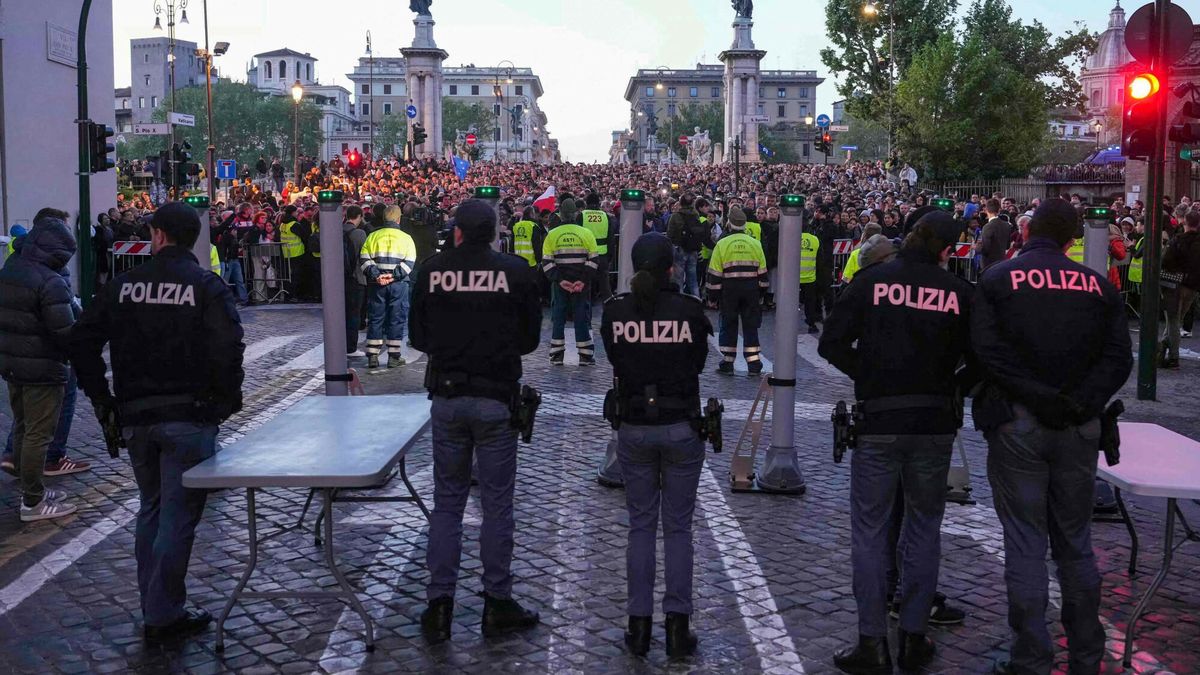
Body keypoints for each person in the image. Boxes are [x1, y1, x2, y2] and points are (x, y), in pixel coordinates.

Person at [69, 202, 245, 642]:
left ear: (159, 236)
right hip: (189, 414)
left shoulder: (124, 286)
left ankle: (155, 604)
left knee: (151, 508)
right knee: (178, 515)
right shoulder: (206, 287)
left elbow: (81, 342)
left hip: (136, 415)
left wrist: (102, 398)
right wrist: (223, 403)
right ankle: (163, 613)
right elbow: (228, 349)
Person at [971, 199, 1132, 675]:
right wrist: (1083, 400)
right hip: (1078, 424)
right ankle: (1087, 655)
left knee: (1025, 542)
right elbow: (1117, 358)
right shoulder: (1100, 287)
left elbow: (987, 351)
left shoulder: (1000, 279)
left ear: (1027, 232)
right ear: (1072, 239)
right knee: (1075, 542)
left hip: (1019, 420)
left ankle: (1031, 657)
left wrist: (1035, 396)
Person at [819, 210, 976, 675]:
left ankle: (871, 641)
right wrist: (953, 387)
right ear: (948, 251)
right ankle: (912, 636)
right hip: (933, 421)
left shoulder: (871, 282)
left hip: (880, 418)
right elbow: (987, 356)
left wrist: (870, 376)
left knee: (869, 530)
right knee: (924, 528)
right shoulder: (960, 293)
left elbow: (831, 343)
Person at [410, 199, 543, 643]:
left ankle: (439, 605)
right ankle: (497, 601)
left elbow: (417, 336)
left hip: (447, 396)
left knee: (446, 504)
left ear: (458, 231)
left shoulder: (431, 270)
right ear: (497, 230)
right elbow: (528, 339)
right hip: (496, 398)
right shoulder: (516, 271)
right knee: (497, 505)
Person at [600, 233, 712, 659]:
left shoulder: (615, 312)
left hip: (633, 427)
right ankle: (679, 629)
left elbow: (614, 357)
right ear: (672, 268)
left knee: (641, 528)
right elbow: (699, 362)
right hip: (681, 424)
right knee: (679, 529)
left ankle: (640, 627)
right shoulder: (690, 310)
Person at [0, 209, 81, 520]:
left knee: (22, 426)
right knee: (38, 433)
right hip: (42, 367)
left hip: (12, 363)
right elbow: (64, 331)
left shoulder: (11, 268)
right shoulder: (51, 281)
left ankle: (29, 487)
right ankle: (33, 500)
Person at [705, 207, 768, 375]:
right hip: (751, 291)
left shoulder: (722, 244)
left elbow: (715, 274)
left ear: (729, 224)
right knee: (750, 326)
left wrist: (712, 297)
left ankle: (727, 362)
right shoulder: (756, 244)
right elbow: (763, 274)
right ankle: (754, 363)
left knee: (728, 325)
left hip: (729, 291)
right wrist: (761, 294)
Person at [542, 198, 599, 365]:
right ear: (575, 213)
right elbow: (594, 260)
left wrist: (560, 280)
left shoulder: (552, 235)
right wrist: (582, 280)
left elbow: (547, 262)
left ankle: (557, 354)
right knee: (581, 316)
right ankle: (585, 355)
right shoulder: (586, 233)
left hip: (559, 284)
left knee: (558, 317)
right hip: (581, 285)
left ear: (560, 215)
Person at [360, 205, 418, 369]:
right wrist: (393, 276)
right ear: (399, 219)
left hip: (376, 285)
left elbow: (364, 260)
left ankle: (373, 356)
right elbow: (409, 262)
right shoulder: (406, 238)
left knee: (375, 318)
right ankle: (394, 356)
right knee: (396, 318)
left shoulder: (372, 236)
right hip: (398, 285)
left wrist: (377, 276)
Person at [1160, 210, 1200, 368]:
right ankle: (1162, 347)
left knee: (1173, 320)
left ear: (1184, 221)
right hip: (1192, 286)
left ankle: (1173, 357)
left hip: (1174, 284)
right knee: (1176, 321)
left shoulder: (1177, 240)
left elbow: (1165, 260)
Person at [666, 193, 706, 296]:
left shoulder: (675, 216)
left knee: (678, 280)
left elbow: (669, 234)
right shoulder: (696, 214)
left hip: (680, 249)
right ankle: (696, 302)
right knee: (693, 280)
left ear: (680, 203)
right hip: (693, 250)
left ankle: (679, 305)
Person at [342, 205, 368, 355]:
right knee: (354, 314)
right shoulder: (359, 233)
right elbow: (364, 255)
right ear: (358, 216)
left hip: (339, 278)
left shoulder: (336, 230)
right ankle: (351, 347)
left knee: (342, 313)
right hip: (356, 277)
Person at [581, 193, 613, 299]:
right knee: (605, 287)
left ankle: (585, 313)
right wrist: (610, 256)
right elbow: (611, 238)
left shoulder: (582, 215)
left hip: (586, 256)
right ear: (598, 203)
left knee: (585, 287)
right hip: (602, 255)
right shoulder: (605, 216)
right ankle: (609, 312)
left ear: (587, 202)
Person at [976, 198, 1011, 270]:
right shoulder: (1007, 225)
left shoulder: (987, 227)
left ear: (986, 210)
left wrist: (976, 247)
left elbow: (985, 249)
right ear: (999, 210)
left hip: (988, 264)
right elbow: (1007, 246)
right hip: (1002, 262)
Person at [799, 224, 822, 334]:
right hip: (810, 277)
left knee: (790, 302)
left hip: (793, 278)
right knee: (810, 303)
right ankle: (811, 324)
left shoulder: (791, 237)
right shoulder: (815, 240)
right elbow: (820, 259)